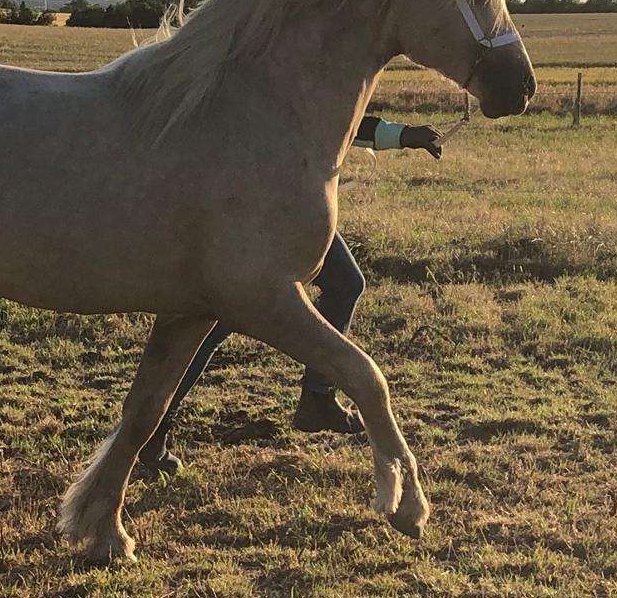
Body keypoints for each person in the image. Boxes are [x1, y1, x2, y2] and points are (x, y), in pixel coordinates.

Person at [138, 113, 444, 475]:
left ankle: (317, 396)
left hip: (294, 203)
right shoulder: (265, 63)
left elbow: (336, 115)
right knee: (213, 318)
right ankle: (150, 432)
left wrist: (402, 134)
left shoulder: (307, 65)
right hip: (250, 205)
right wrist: (401, 135)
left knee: (344, 283)